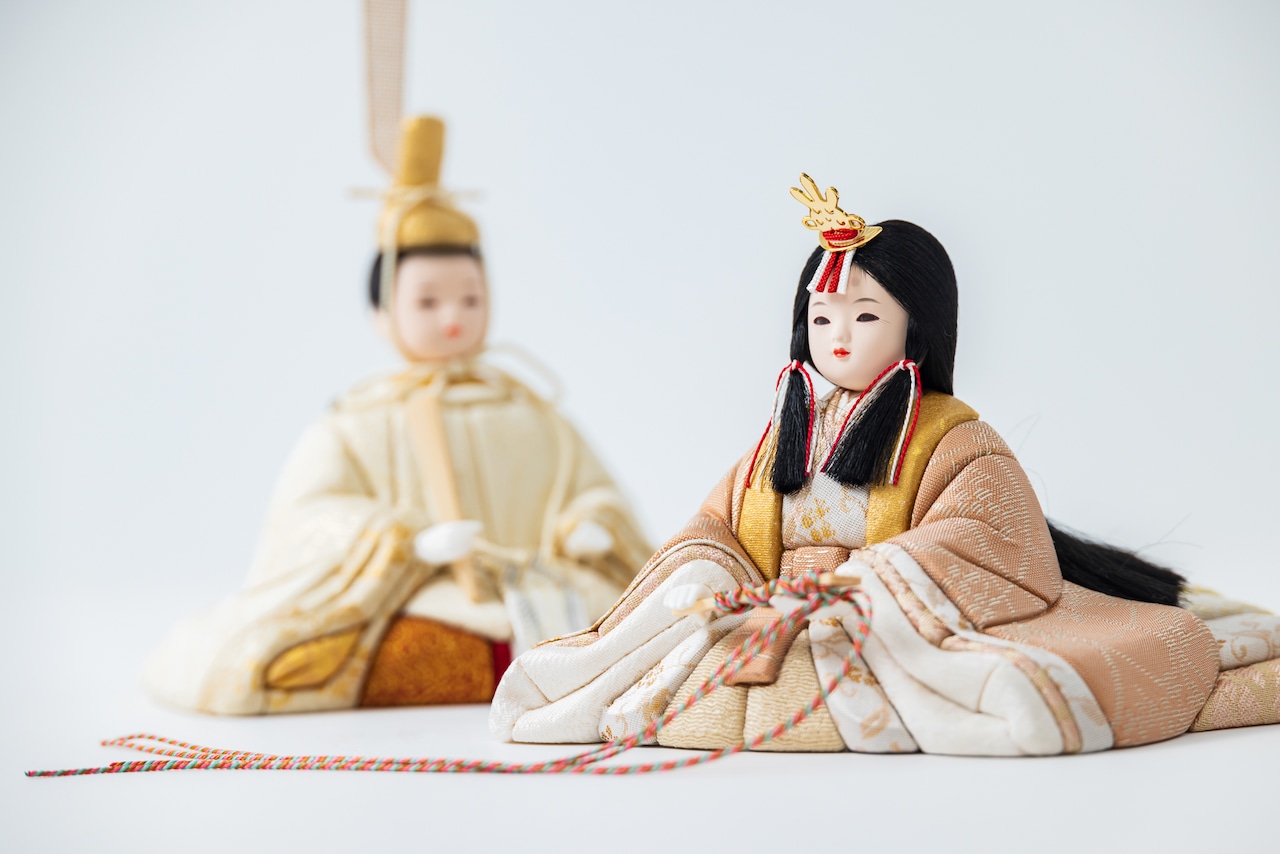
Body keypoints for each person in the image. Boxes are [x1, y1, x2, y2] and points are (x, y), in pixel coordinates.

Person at [488, 175, 1280, 755]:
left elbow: (984, 535)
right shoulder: (778, 438)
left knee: (1015, 691)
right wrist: (711, 582)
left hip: (882, 624)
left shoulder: (956, 440)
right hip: (768, 624)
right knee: (642, 683)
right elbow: (715, 529)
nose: (838, 336)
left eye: (865, 315)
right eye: (821, 316)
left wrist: (859, 585)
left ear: (916, 328)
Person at [142, 117, 650, 715]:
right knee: (391, 648)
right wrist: (406, 542)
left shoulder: (530, 412)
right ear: (382, 313)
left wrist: (589, 525)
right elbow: (308, 514)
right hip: (422, 593)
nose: (453, 317)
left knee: (627, 623)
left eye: (470, 298)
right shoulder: (356, 422)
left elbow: (589, 488)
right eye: (427, 301)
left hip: (541, 590)